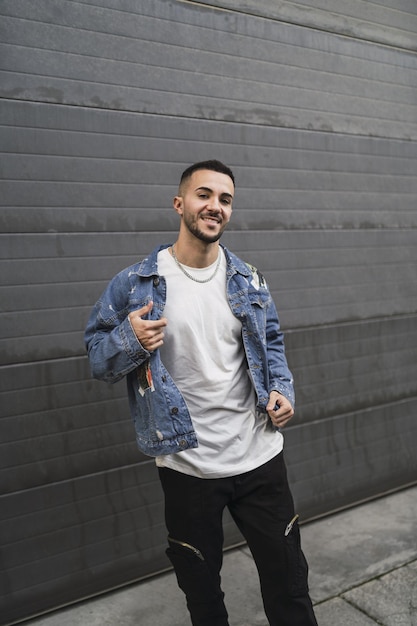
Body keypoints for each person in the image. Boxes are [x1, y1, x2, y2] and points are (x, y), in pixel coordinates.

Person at [84, 160, 318, 626]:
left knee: (289, 586)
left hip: (259, 457)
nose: (215, 206)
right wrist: (129, 340)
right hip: (187, 466)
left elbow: (271, 342)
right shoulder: (135, 284)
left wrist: (282, 390)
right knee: (203, 597)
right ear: (180, 203)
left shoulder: (247, 278)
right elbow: (97, 359)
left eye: (225, 199)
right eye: (204, 195)